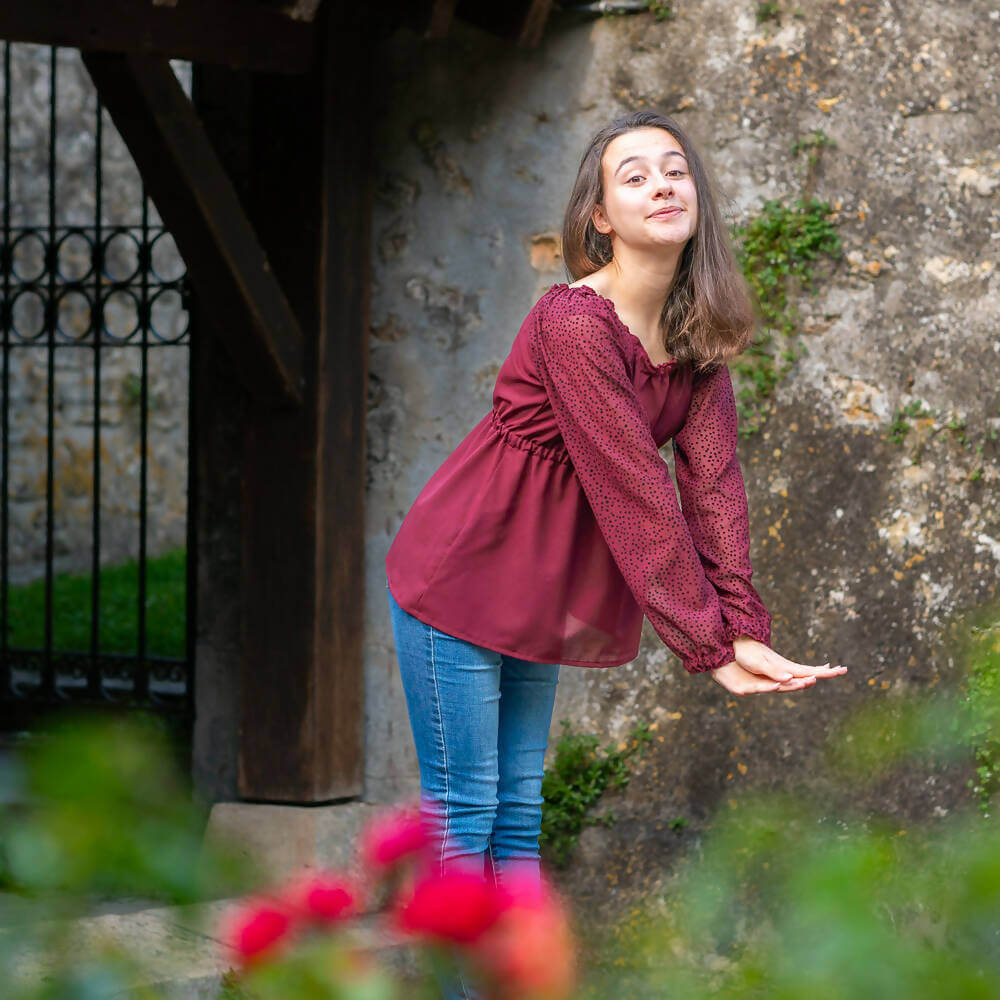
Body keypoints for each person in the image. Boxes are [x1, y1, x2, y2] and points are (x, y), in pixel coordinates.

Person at [385, 110, 847, 998]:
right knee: (467, 817)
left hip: (538, 593)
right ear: (599, 216)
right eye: (632, 177)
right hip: (457, 578)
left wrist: (744, 623)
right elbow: (635, 489)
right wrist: (705, 646)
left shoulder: (697, 337)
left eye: (675, 170)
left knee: (518, 816)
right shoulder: (574, 322)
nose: (662, 185)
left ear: (697, 198)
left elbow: (713, 486)